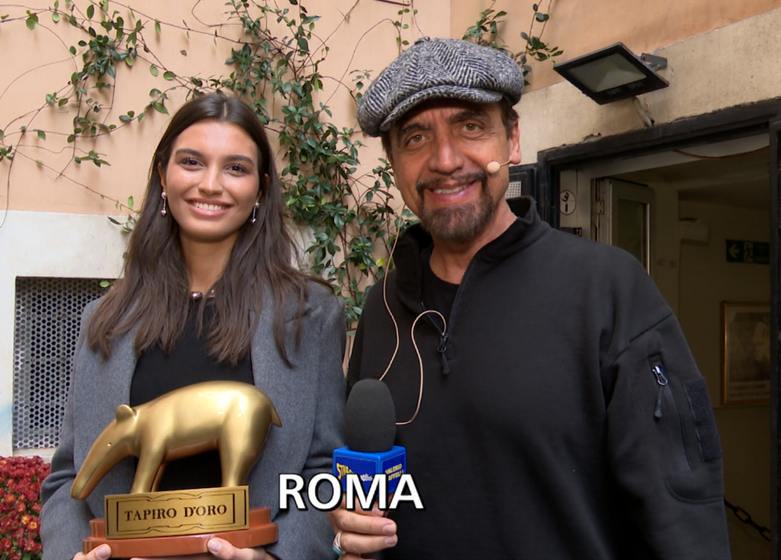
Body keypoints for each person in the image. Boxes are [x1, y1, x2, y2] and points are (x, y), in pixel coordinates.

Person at [329, 37, 730, 559]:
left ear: (512, 140)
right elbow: (365, 491)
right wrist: (345, 522)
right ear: (393, 164)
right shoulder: (382, 307)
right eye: (416, 138)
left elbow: (684, 516)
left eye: (471, 126)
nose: (445, 160)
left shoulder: (606, 289)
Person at [40, 93, 346, 560]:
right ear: (163, 176)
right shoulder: (103, 320)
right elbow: (68, 478)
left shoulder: (311, 316)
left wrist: (276, 556)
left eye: (236, 168)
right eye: (191, 162)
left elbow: (322, 474)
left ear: (260, 189)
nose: (210, 184)